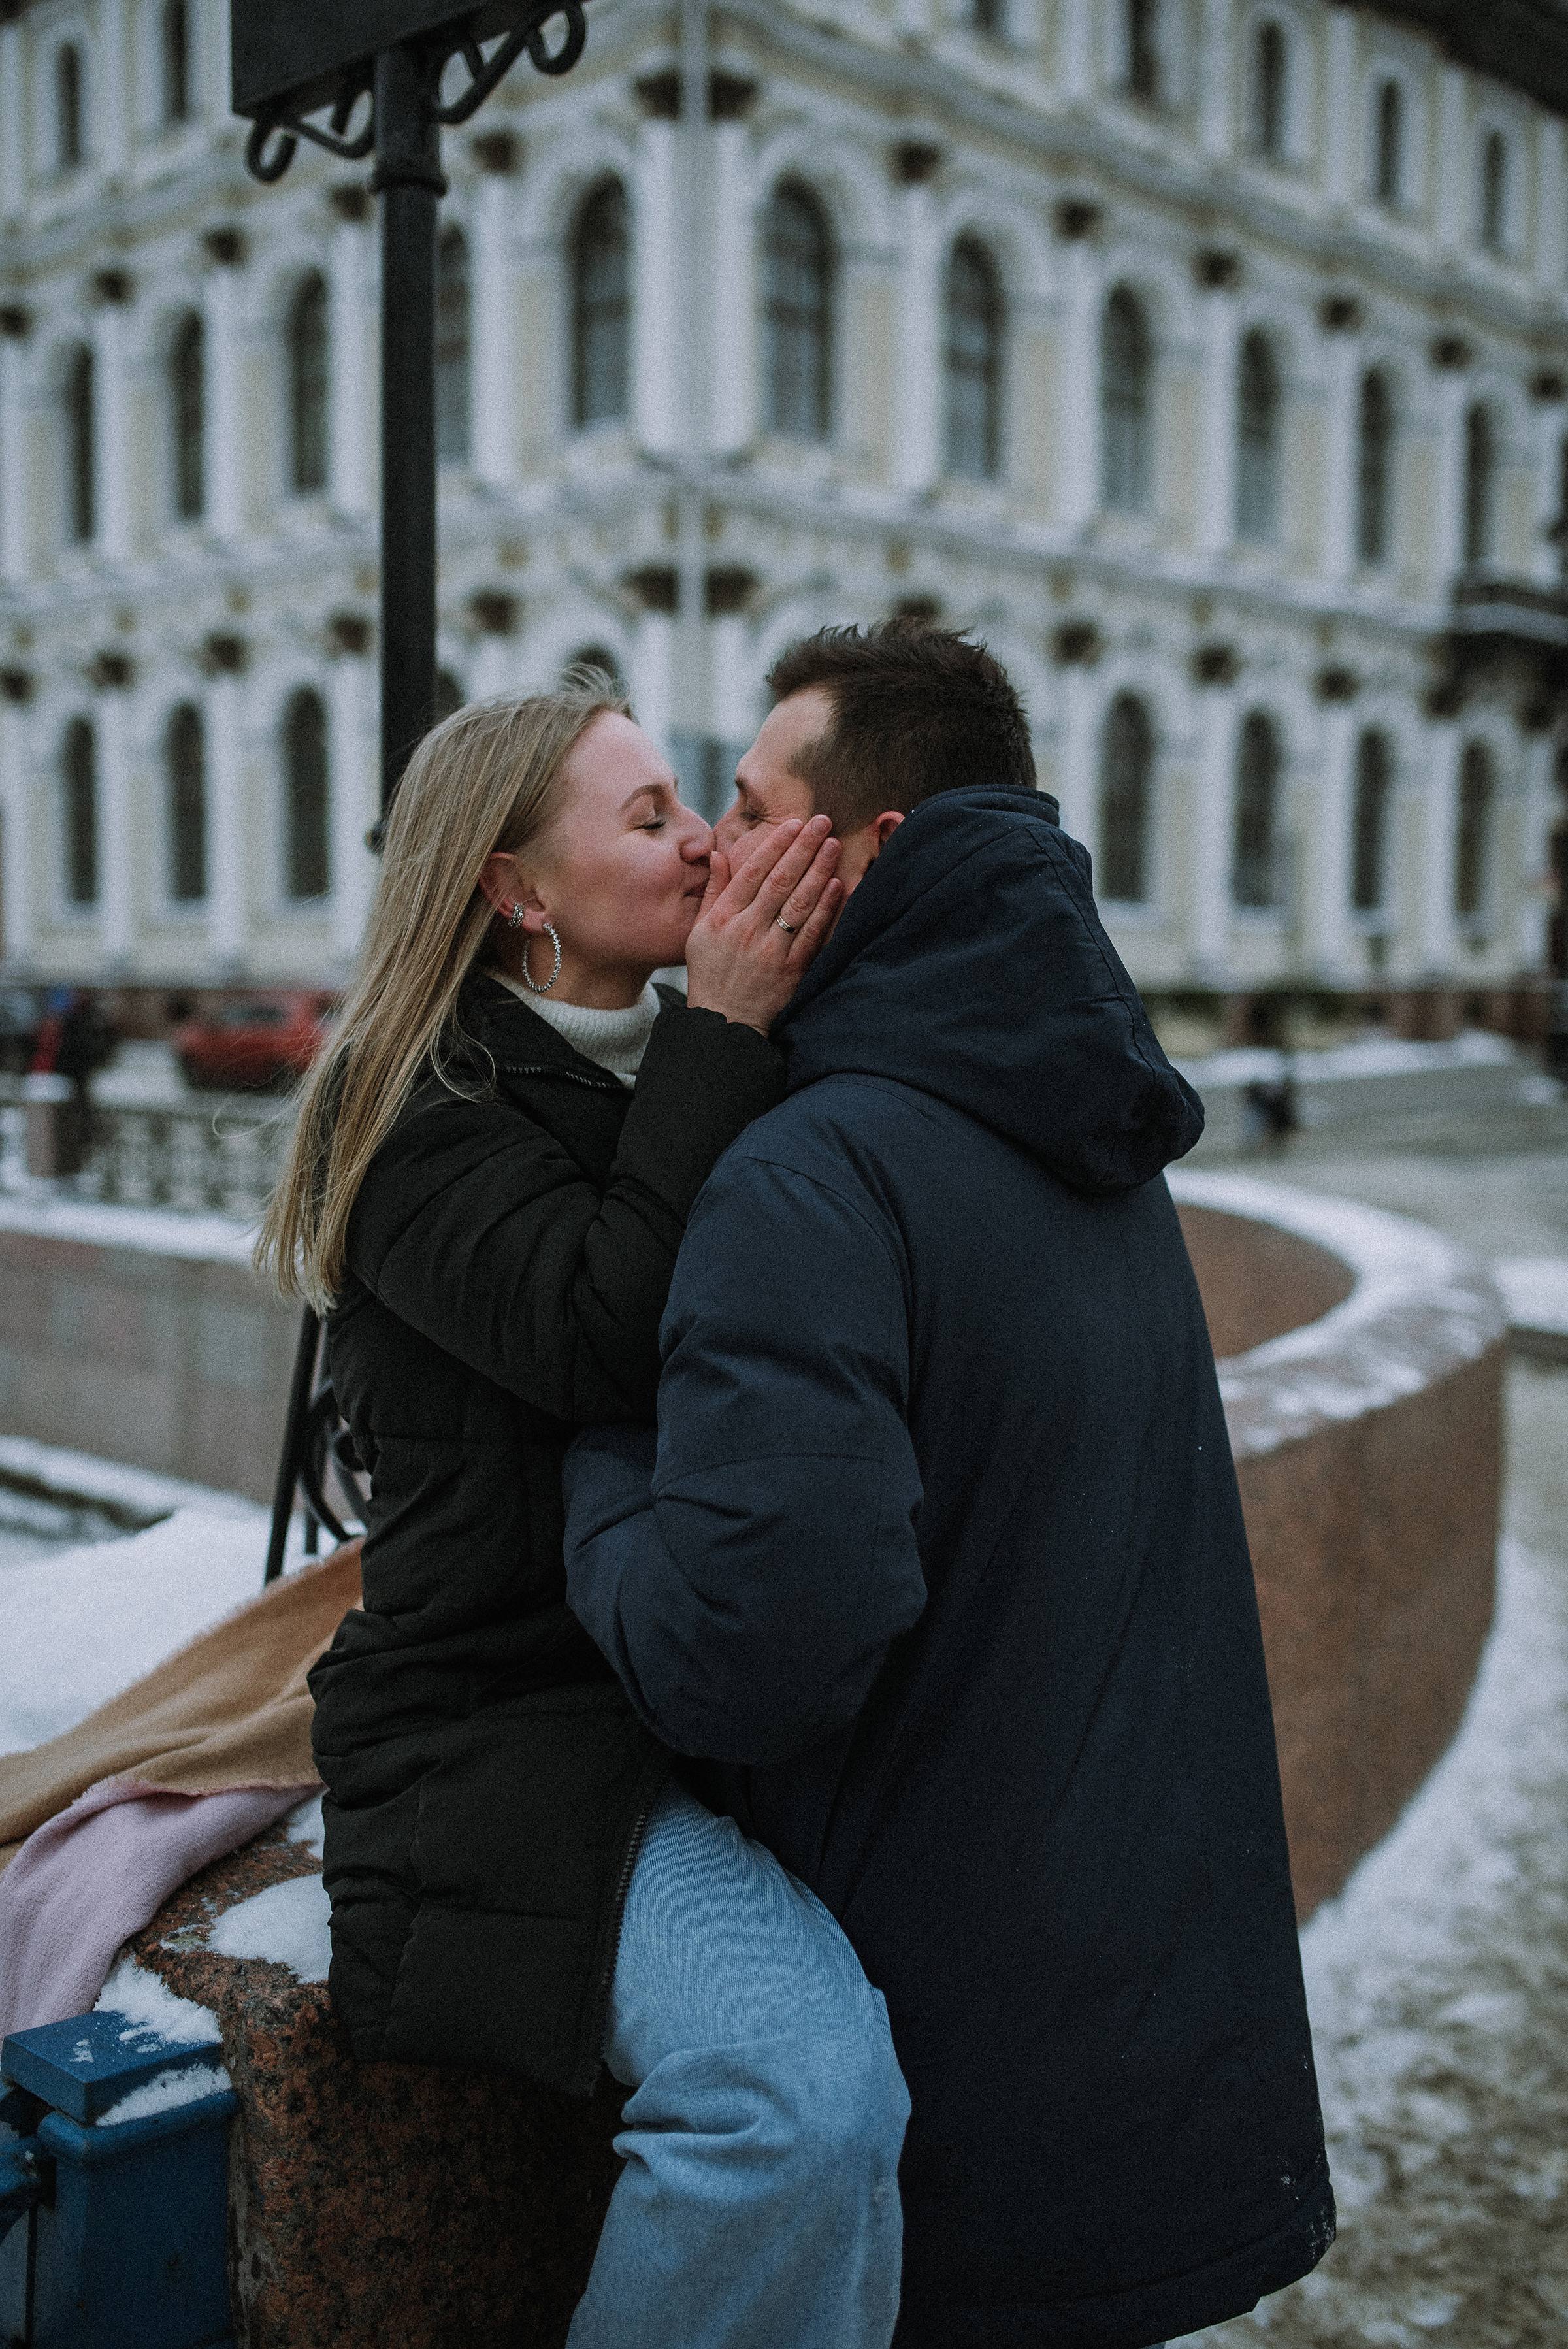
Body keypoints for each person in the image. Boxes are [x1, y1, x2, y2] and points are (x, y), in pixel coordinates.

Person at [564, 623, 1336, 2349]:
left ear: (867, 852)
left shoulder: (813, 1171)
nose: (711, 850)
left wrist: (601, 1481)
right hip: (1139, 2067)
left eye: (747, 805)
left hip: (950, 2095)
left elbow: (744, 1657)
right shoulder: (1088, 1126)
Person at [255, 675, 910, 2349]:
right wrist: (728, 1029)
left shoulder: (677, 1069)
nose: (701, 841)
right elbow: (609, 1337)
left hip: (682, 1698)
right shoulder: (413, 1113)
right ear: (513, 888)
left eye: (692, 800)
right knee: (799, 2097)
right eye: (647, 815)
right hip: (493, 1741)